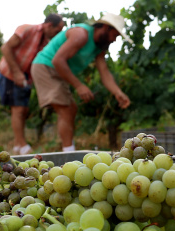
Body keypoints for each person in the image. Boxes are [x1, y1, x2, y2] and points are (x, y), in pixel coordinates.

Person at [31, 13, 132, 152]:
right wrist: (79, 86)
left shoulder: (99, 48)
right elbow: (57, 60)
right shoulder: (81, 34)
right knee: (65, 109)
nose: (114, 40)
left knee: (72, 108)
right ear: (106, 28)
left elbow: (104, 72)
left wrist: (118, 92)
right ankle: (69, 154)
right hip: (46, 67)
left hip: (58, 71)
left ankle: (68, 149)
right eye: (115, 35)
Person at [0, 14, 65, 155]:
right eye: (57, 30)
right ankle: (22, 145)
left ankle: (17, 145)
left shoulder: (46, 43)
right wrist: (16, 72)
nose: (57, 35)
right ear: (48, 25)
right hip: (10, 73)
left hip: (25, 78)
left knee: (23, 110)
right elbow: (5, 48)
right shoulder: (27, 29)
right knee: (18, 109)